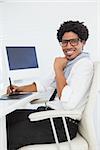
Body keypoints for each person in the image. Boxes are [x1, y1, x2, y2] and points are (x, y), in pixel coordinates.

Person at [6, 21, 94, 150]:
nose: (68, 46)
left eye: (74, 41)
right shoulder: (67, 62)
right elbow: (43, 84)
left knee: (8, 135)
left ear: (83, 42)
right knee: (6, 118)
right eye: (64, 42)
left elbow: (68, 104)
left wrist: (58, 69)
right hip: (50, 114)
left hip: (62, 124)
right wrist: (19, 89)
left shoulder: (83, 65)